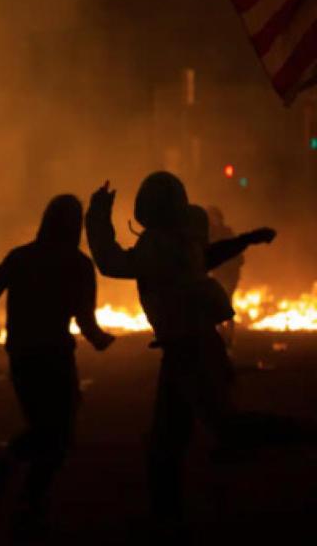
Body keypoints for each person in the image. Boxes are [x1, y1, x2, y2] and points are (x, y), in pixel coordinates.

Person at [84, 173, 310, 532]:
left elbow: (112, 262)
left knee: (222, 428)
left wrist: (97, 216)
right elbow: (208, 257)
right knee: (167, 440)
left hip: (188, 348)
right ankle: (166, 518)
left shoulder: (159, 245)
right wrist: (247, 240)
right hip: (191, 345)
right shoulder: (181, 240)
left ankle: (307, 434)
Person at [0, 194, 114, 534]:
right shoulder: (79, 264)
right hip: (54, 354)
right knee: (57, 432)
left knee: (45, 428)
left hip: (22, 354)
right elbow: (85, 317)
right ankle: (24, 498)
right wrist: (100, 340)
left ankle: (14, 480)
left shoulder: (21, 257)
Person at [207, 206, 243, 348]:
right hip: (216, 275)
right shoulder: (208, 234)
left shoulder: (227, 233)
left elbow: (239, 257)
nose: (211, 220)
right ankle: (222, 335)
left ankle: (229, 337)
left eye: (213, 217)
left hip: (229, 275)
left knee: (225, 304)